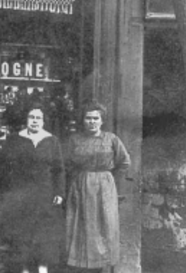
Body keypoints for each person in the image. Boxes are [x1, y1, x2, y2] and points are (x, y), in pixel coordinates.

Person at [0, 103, 65, 273]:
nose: (35, 121)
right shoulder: (14, 139)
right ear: (26, 119)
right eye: (31, 117)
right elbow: (2, 166)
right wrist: (9, 191)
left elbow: (59, 169)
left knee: (43, 238)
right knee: (21, 237)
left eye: (38, 118)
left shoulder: (52, 141)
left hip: (44, 195)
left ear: (44, 120)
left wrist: (59, 192)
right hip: (20, 196)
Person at [65, 102, 131, 271]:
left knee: (105, 225)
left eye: (96, 118)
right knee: (81, 225)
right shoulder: (75, 139)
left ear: (102, 121)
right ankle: (81, 266)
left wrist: (110, 181)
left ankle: (103, 267)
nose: (92, 122)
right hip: (80, 186)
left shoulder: (111, 139)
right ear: (83, 120)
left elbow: (124, 162)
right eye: (88, 118)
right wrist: (76, 181)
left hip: (104, 187)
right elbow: (67, 164)